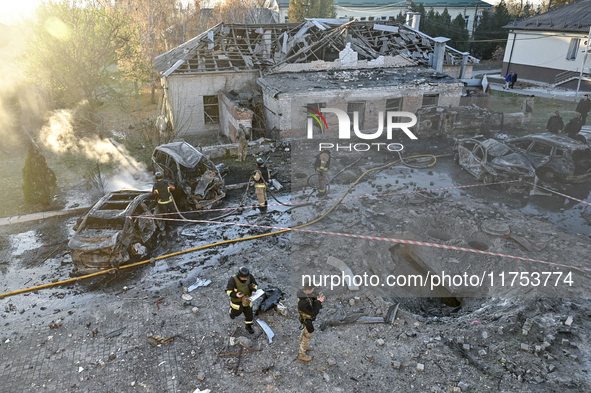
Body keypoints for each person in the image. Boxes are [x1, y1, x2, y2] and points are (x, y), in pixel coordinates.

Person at [226, 266, 258, 334]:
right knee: (236, 312)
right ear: (239, 275)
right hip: (237, 301)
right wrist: (235, 295)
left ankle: (248, 326)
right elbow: (228, 291)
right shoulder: (232, 279)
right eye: (243, 277)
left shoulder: (249, 276)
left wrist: (253, 290)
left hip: (247, 300)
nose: (245, 279)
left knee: (249, 314)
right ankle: (231, 312)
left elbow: (254, 285)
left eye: (246, 277)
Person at [297, 284, 324, 362]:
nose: (313, 291)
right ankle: (301, 354)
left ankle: (301, 344)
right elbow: (313, 312)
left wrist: (316, 296)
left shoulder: (302, 294)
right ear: (308, 290)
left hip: (304, 319)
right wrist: (319, 302)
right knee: (307, 337)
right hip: (307, 320)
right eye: (312, 289)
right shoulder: (303, 303)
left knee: (304, 332)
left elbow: (311, 300)